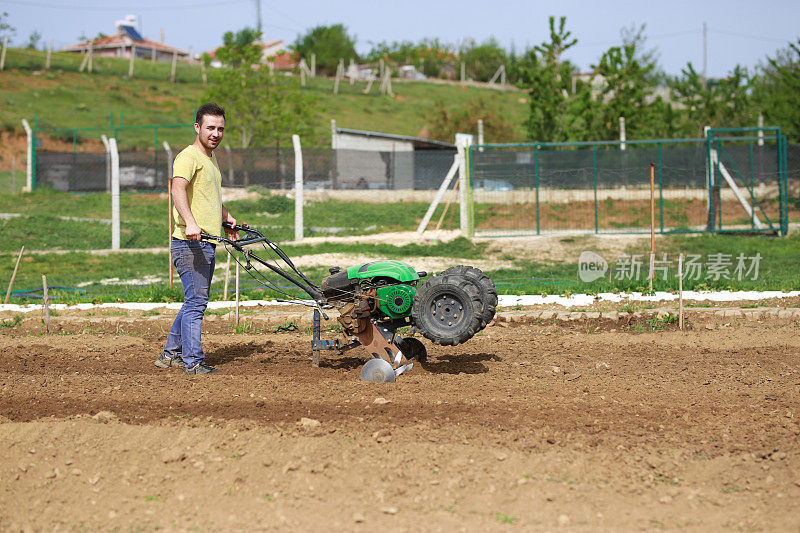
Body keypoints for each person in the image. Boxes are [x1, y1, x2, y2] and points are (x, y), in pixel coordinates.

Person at [154, 102, 239, 375]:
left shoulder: (210, 160)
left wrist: (226, 218)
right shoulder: (188, 157)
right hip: (190, 243)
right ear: (197, 127)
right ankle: (193, 362)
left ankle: (170, 354)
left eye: (220, 129)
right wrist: (190, 222)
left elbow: (207, 198)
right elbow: (178, 190)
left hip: (205, 242)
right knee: (196, 303)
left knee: (193, 300)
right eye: (210, 127)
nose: (216, 133)